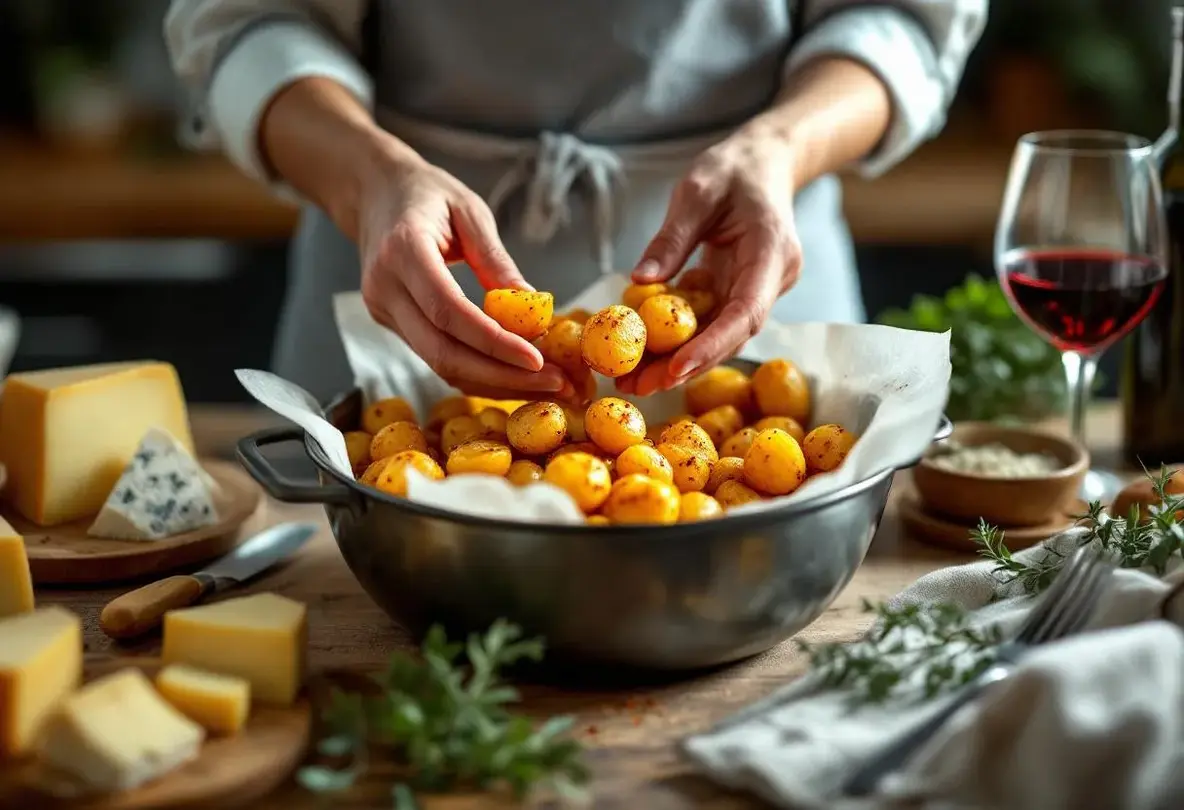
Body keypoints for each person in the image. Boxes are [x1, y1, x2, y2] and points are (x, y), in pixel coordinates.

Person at [166, 0, 987, 403]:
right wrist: (373, 179)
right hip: (396, 292)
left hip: (753, 273)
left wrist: (783, 147)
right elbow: (247, 21)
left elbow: (901, 20)